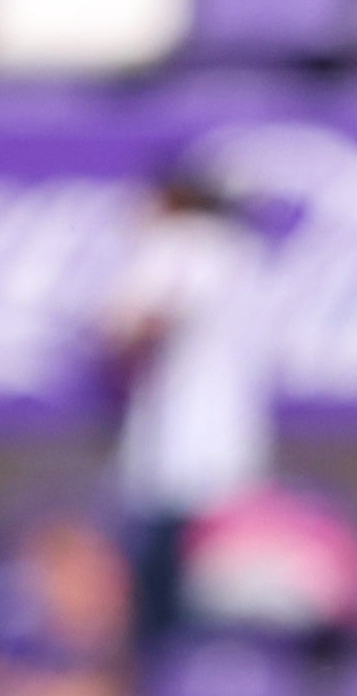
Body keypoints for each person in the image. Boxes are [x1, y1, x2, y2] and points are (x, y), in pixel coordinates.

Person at [98, 174, 275, 643]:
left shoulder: (183, 243)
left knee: (168, 592)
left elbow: (137, 324)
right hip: (223, 440)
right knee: (216, 582)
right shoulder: (241, 250)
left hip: (183, 444)